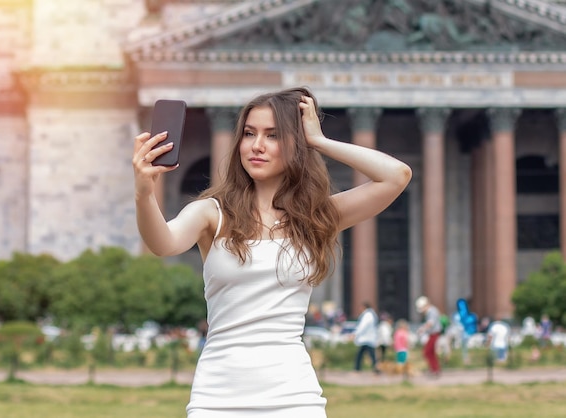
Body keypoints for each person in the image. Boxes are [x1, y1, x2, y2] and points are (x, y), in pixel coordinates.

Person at [133, 87, 412, 417]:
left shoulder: (315, 217)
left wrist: (319, 142)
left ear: (295, 144)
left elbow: (396, 176)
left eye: (273, 135)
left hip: (293, 395)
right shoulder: (212, 212)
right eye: (249, 133)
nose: (256, 145)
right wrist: (143, 193)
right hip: (219, 396)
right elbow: (163, 242)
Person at [415, 295, 442, 377]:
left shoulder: (432, 311)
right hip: (432, 334)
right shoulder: (430, 312)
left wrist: (422, 329)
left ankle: (435, 370)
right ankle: (435, 369)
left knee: (427, 352)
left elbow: (431, 323)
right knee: (431, 352)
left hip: (434, 333)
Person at [353, 302, 380, 374]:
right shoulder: (370, 314)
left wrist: (356, 333)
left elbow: (363, 326)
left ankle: (376, 368)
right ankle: (358, 368)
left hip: (366, 338)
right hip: (367, 338)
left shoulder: (367, 315)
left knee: (368, 355)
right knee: (363, 354)